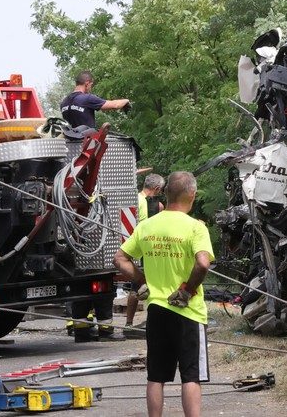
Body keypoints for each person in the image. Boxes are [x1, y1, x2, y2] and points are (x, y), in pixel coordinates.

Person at [114, 171, 213, 417]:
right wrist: (187, 290)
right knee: (191, 375)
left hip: (157, 309)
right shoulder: (195, 228)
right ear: (192, 195)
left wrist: (141, 281)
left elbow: (120, 259)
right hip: (188, 312)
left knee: (156, 376)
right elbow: (202, 264)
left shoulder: (147, 226)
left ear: (166, 194)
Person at [124, 173, 165, 332]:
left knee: (136, 286)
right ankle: (154, 322)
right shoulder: (152, 204)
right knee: (150, 285)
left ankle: (128, 323)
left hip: (133, 249)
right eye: (160, 191)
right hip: (148, 251)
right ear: (156, 188)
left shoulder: (134, 199)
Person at [59, 70, 130, 132]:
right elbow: (115, 105)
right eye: (91, 85)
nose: (90, 88)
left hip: (70, 144)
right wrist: (126, 101)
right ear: (87, 83)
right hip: (87, 143)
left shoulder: (64, 102)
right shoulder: (87, 98)